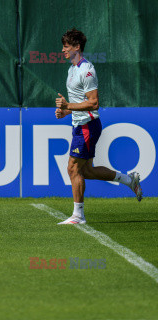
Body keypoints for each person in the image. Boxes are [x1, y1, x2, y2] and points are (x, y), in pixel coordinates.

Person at [55, 28, 143, 225]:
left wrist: (69, 106)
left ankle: (78, 215)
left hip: (87, 126)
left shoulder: (87, 70)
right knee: (86, 171)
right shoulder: (72, 69)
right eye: (63, 46)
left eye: (66, 46)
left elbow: (94, 103)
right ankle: (129, 180)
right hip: (80, 125)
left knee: (73, 169)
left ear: (77, 47)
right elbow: (79, 103)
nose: (63, 50)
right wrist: (66, 111)